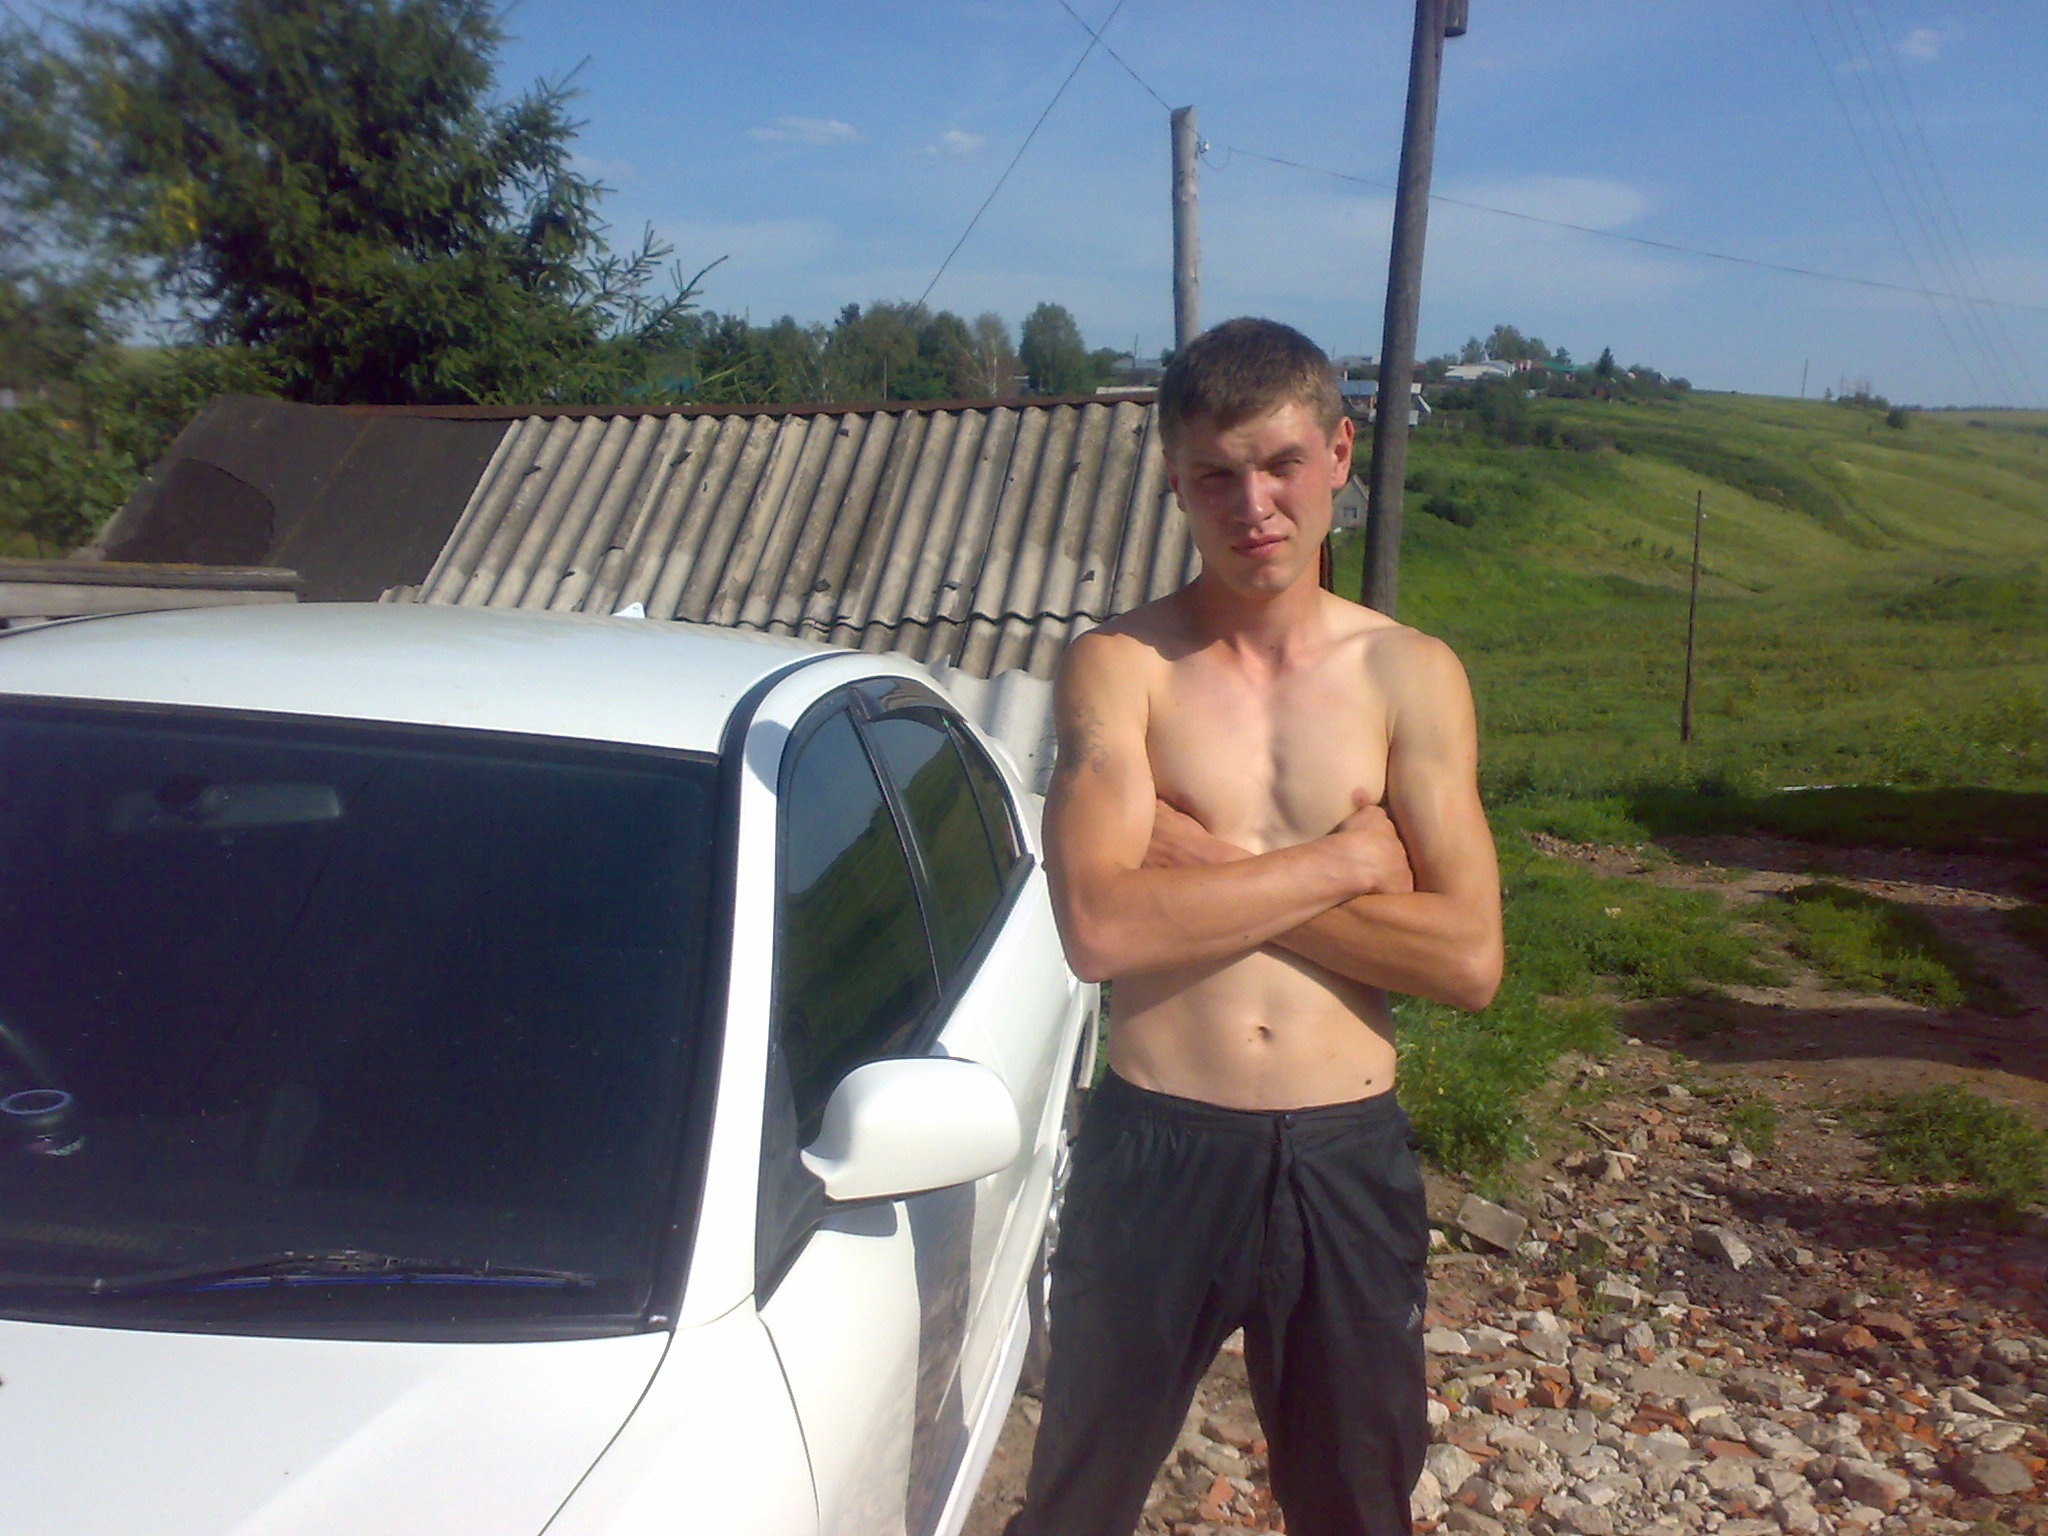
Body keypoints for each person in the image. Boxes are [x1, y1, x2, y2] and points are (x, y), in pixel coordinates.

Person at [1013, 317, 1504, 1536]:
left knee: (1354, 1505)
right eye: (1215, 475)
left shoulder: (1408, 674)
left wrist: (1212, 871)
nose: (1253, 505)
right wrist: (1342, 864)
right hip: (1156, 1142)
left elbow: (1465, 958)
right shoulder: (1121, 667)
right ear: (1174, 482)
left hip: (1342, 1150)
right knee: (1076, 1502)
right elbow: (1099, 929)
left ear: (1338, 454)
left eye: (1281, 463)